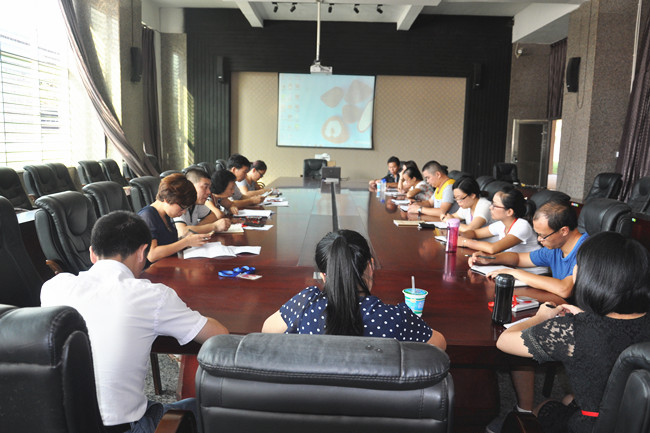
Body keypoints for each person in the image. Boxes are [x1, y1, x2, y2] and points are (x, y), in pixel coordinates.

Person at [40, 211, 229, 433]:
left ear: (92, 253)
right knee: (212, 408)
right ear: (141, 253)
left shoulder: (53, 287)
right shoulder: (152, 295)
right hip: (121, 429)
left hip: (57, 424)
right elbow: (220, 337)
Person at [496, 232, 650, 433]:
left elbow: (504, 341)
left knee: (546, 406)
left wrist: (540, 317)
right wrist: (586, 316)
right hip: (637, 418)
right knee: (569, 398)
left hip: (591, 427)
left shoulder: (573, 331)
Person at [473, 199, 589, 432]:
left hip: (583, 322)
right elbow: (520, 258)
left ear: (564, 231)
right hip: (560, 311)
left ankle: (525, 413)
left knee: (520, 337)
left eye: (543, 235)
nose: (539, 240)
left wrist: (515, 273)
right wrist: (490, 259)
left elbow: (565, 289)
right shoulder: (555, 246)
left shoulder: (587, 250)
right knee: (512, 325)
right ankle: (524, 409)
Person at [261, 229, 446, 349]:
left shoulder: (306, 303)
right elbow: (439, 346)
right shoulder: (395, 318)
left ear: (324, 276)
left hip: (311, 397)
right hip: (372, 399)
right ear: (370, 266)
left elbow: (266, 331)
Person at [138, 173, 209, 263]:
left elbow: (167, 243)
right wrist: (186, 242)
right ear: (167, 199)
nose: (184, 212)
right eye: (182, 208)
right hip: (152, 269)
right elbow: (152, 255)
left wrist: (185, 239)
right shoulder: (147, 216)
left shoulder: (166, 214)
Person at [459, 187, 539, 254]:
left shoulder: (522, 226)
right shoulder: (502, 224)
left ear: (509, 212)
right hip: (510, 265)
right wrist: (459, 235)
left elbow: (493, 248)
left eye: (495, 205)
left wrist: (464, 242)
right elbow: (475, 233)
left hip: (531, 268)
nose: (490, 207)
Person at [174, 168, 231, 237]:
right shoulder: (178, 203)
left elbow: (213, 216)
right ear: (190, 186)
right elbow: (183, 233)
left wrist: (196, 229)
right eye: (205, 187)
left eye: (209, 188)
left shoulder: (197, 202)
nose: (209, 192)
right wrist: (214, 226)